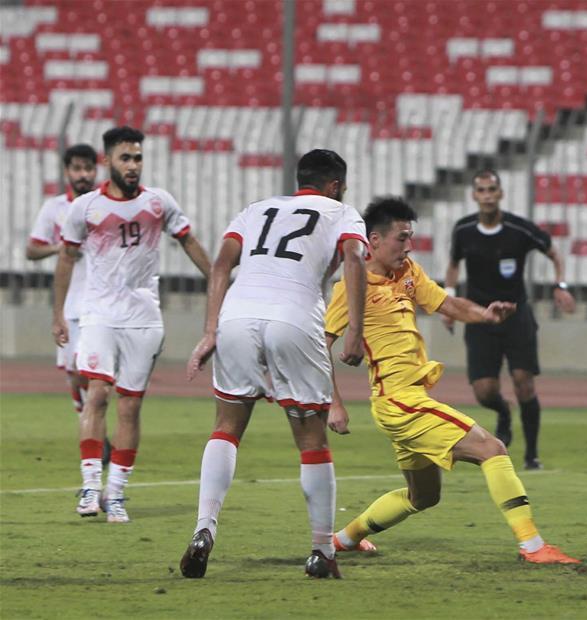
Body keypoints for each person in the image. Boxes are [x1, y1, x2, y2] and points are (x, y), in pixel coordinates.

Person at [325, 197, 579, 565]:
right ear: (375, 241)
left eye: (411, 237)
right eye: (401, 238)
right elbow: (321, 344)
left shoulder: (408, 271)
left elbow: (446, 303)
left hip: (405, 401)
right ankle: (533, 546)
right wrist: (334, 402)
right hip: (400, 403)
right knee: (492, 449)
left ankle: (345, 539)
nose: (408, 246)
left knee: (422, 498)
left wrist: (485, 315)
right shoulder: (352, 286)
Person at [178, 149, 368, 580]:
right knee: (311, 437)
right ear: (335, 185)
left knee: (226, 427)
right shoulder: (341, 212)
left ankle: (204, 528)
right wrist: (354, 330)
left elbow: (222, 265)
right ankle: (322, 551)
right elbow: (355, 259)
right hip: (295, 316)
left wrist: (210, 330)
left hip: (237, 315)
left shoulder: (256, 209)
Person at [53, 126, 211, 523]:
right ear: (108, 161)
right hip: (99, 315)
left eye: (138, 157)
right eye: (126, 157)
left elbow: (188, 241)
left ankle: (117, 493)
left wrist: (217, 279)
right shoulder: (86, 207)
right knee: (97, 394)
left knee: (130, 406)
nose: (134, 165)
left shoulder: (159, 203)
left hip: (144, 318)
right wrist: (57, 314)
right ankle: (90, 486)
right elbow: (66, 259)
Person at [443, 170, 575, 470]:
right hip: (478, 316)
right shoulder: (463, 230)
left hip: (516, 316)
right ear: (474, 196)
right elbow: (452, 266)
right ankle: (503, 411)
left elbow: (555, 254)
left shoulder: (519, 229)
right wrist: (448, 303)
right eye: (482, 190)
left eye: (492, 189)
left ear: (501, 194)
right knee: (484, 390)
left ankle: (532, 456)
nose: (488, 195)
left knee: (523, 382)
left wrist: (560, 285)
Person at [27, 144, 98, 416]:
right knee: (75, 370)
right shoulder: (55, 207)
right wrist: (61, 248)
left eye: (88, 168)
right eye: (77, 168)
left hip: (101, 300)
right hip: (70, 303)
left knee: (93, 369)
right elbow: (31, 250)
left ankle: (92, 424)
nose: (83, 174)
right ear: (67, 171)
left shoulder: (103, 205)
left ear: (96, 170)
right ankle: (88, 421)